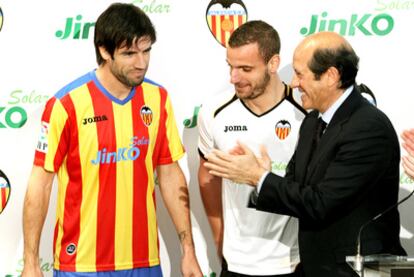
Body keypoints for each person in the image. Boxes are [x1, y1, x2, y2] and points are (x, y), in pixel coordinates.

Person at [203, 31, 406, 277]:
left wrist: (259, 178)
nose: (294, 83)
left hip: (356, 270)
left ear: (331, 76)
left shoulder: (367, 127)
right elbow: (296, 188)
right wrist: (261, 175)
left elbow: (321, 203)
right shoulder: (312, 122)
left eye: (300, 74)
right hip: (315, 268)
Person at [22, 3, 202, 277]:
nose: (141, 63)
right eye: (129, 53)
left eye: (146, 50)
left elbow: (169, 174)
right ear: (104, 51)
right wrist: (31, 263)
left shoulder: (158, 99)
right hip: (81, 265)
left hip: (144, 262)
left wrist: (188, 252)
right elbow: (41, 185)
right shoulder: (66, 104)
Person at [198, 20, 306, 277]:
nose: (234, 77)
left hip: (294, 262)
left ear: (273, 63)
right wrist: (219, 238)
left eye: (245, 68)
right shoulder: (214, 111)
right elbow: (207, 177)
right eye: (231, 66)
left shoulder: (305, 111)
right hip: (235, 265)